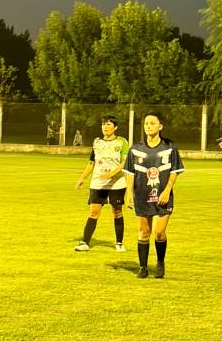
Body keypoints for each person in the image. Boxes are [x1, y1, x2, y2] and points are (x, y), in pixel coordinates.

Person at [123, 111, 185, 279]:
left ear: (160, 126)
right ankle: (143, 267)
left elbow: (174, 171)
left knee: (159, 232)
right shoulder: (135, 149)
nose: (148, 126)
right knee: (143, 232)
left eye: (152, 123)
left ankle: (160, 262)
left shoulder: (169, 147)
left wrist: (167, 190)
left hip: (163, 196)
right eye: (146, 123)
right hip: (142, 195)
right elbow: (129, 173)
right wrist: (129, 194)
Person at [74, 115, 129, 252]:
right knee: (93, 212)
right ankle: (85, 242)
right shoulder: (97, 142)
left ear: (115, 127)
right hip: (98, 182)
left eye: (109, 124)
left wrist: (112, 174)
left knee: (117, 211)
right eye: (104, 124)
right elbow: (91, 162)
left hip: (117, 182)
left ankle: (119, 243)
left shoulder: (121, 142)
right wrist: (82, 178)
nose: (105, 127)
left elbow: (125, 162)